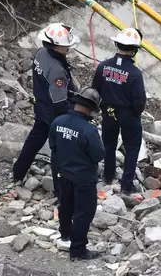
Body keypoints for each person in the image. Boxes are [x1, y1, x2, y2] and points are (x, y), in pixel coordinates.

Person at [13, 23, 80, 197]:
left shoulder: (41, 53)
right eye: (66, 45)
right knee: (59, 149)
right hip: (53, 111)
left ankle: (18, 172)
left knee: (34, 140)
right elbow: (60, 101)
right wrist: (72, 115)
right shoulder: (56, 69)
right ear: (57, 45)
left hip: (41, 104)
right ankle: (60, 190)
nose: (68, 48)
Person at [49, 87, 105, 261]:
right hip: (84, 179)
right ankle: (78, 250)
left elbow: (53, 147)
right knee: (84, 213)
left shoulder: (57, 122)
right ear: (89, 109)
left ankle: (65, 235)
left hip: (63, 174)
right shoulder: (89, 130)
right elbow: (98, 154)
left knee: (65, 206)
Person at [92, 28, 146, 192]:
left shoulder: (103, 66)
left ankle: (108, 176)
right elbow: (139, 101)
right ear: (135, 50)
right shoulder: (135, 73)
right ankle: (126, 186)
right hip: (128, 115)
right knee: (132, 149)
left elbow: (95, 91)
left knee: (108, 145)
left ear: (117, 44)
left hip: (108, 112)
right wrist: (135, 113)